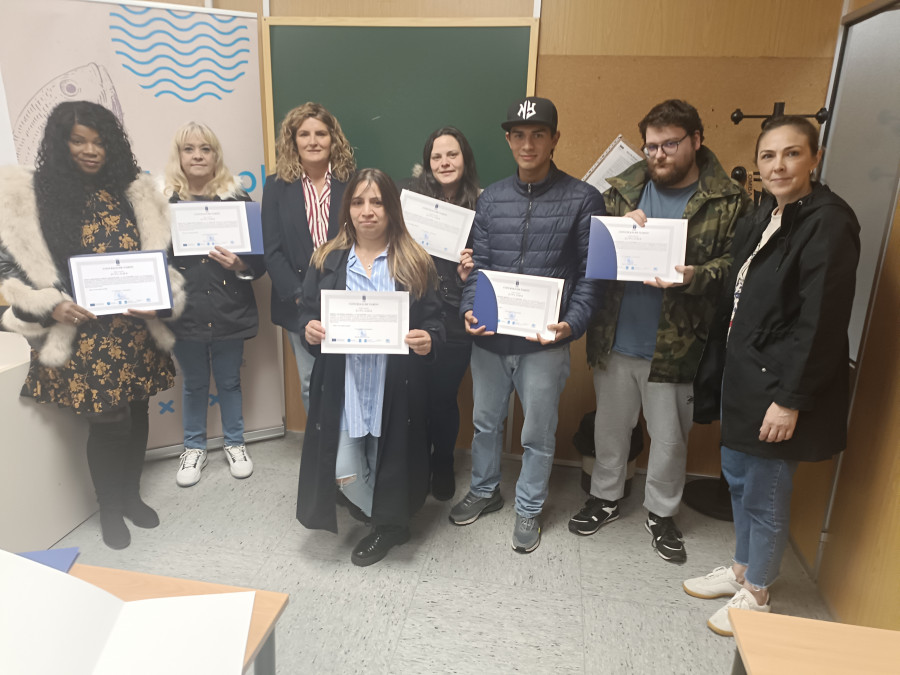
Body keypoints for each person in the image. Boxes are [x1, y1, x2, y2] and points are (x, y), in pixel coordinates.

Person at [685, 116, 860, 636]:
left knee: (765, 489)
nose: (778, 166)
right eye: (768, 156)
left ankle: (757, 591)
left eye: (791, 154)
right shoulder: (766, 211)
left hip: (781, 385)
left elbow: (822, 323)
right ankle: (741, 569)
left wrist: (790, 399)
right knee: (739, 478)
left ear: (815, 158)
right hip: (745, 376)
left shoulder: (829, 222)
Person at [570, 100, 749, 564]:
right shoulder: (620, 192)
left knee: (670, 439)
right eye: (652, 146)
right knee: (611, 429)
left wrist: (694, 276)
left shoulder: (726, 201)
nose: (659, 154)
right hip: (615, 339)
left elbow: (736, 267)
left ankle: (661, 512)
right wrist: (612, 230)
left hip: (678, 345)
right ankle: (606, 497)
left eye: (670, 144)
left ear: (696, 140)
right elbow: (586, 250)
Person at [0, 101, 185, 549]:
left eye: (99, 142)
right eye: (79, 140)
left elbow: (164, 261)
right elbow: (11, 273)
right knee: (108, 422)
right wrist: (50, 307)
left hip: (133, 329)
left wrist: (158, 301)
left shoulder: (132, 191)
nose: (91, 150)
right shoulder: (34, 196)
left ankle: (132, 497)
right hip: (82, 335)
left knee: (137, 412)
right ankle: (111, 508)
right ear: (60, 143)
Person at [451, 96, 606, 554]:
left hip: (544, 343)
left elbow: (592, 275)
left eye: (539, 134)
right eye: (519, 135)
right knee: (485, 424)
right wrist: (467, 310)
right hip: (492, 340)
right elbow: (477, 268)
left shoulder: (583, 199)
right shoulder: (492, 198)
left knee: (537, 433)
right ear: (508, 140)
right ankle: (485, 491)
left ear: (555, 139)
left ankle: (529, 507)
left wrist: (571, 325)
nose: (528, 143)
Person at [296, 168, 444, 566]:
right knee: (344, 469)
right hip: (344, 386)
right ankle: (390, 521)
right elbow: (307, 313)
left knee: (386, 463)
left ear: (392, 208)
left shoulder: (414, 261)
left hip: (392, 386)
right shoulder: (327, 260)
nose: (367, 211)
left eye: (377, 202)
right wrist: (308, 329)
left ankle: (386, 525)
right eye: (358, 202)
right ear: (348, 209)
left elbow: (435, 322)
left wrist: (429, 339)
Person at [164, 122, 266, 487]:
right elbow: (154, 261)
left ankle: (235, 443)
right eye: (189, 149)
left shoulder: (238, 201)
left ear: (215, 156)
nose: (197, 156)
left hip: (228, 309)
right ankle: (194, 448)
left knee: (229, 381)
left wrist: (240, 264)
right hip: (186, 312)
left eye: (205, 149)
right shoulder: (165, 205)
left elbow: (260, 261)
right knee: (193, 383)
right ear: (179, 156)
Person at [261, 102, 355, 412]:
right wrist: (303, 298)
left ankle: (349, 450)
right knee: (309, 381)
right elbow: (272, 252)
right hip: (298, 302)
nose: (313, 141)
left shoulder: (353, 182)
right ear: (293, 140)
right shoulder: (276, 187)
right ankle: (321, 451)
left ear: (333, 139)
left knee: (350, 380)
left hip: (347, 300)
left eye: (321, 133)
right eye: (304, 134)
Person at [405, 126, 478, 500]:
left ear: (465, 159)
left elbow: (491, 267)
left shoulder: (482, 206)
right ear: (427, 163)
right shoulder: (409, 202)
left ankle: (443, 462)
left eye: (452, 155)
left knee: (444, 398)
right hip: (414, 312)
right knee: (414, 395)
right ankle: (416, 462)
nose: (445, 162)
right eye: (437, 156)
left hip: (455, 316)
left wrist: (470, 272)